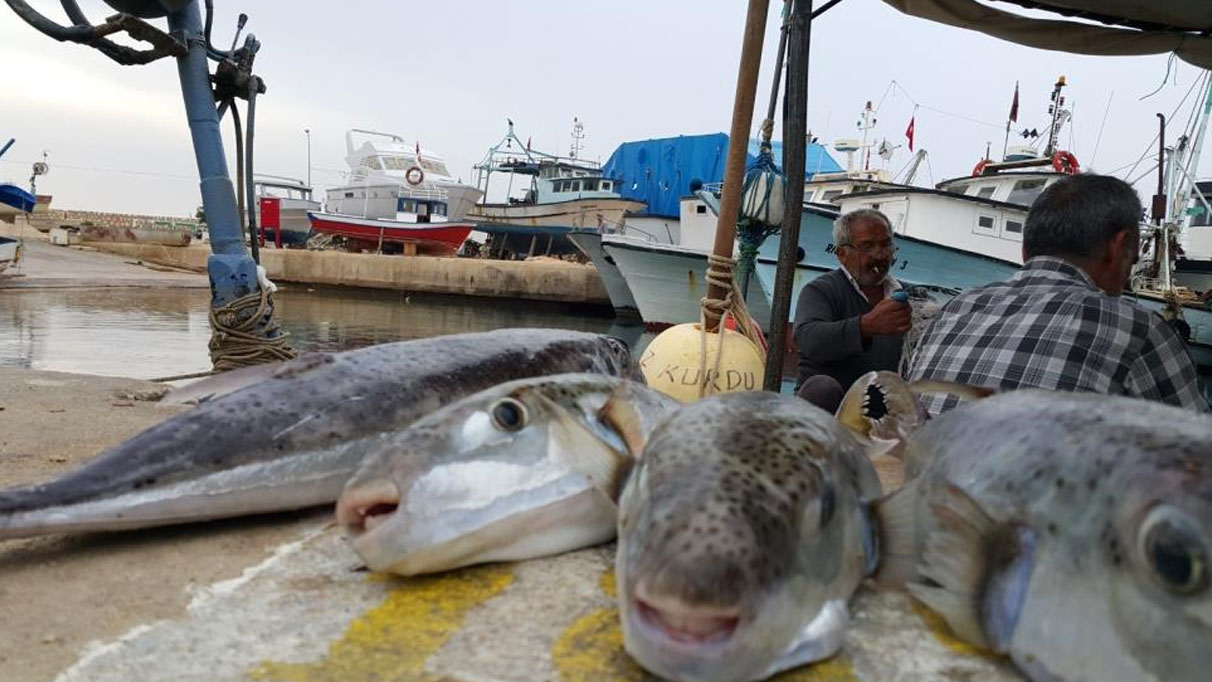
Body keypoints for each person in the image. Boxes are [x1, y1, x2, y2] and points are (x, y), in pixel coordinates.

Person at [908, 173, 1208, 415]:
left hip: (928, 483)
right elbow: (1198, 453)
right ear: (1119, 247)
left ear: (1025, 250)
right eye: (1134, 257)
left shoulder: (956, 308)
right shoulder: (1138, 329)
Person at [793, 208, 911, 412]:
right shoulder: (821, 291)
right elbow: (807, 338)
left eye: (885, 244)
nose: (879, 255)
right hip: (827, 415)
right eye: (867, 246)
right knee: (822, 388)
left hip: (881, 413)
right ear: (842, 254)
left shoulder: (908, 297)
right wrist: (866, 327)